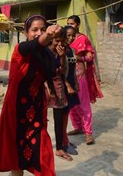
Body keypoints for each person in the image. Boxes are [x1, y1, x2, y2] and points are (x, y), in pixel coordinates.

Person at [0, 15, 62, 176]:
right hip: (17, 112)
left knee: (43, 154)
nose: (39, 33)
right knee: (16, 156)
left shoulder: (46, 54)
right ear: (26, 32)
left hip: (36, 111)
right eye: (34, 30)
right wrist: (48, 34)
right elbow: (36, 43)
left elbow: (55, 71)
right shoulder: (21, 49)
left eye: (43, 29)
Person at [66, 15, 103, 145]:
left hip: (80, 76)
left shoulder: (83, 39)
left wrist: (80, 59)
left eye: (73, 23)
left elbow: (90, 56)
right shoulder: (64, 39)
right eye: (68, 23)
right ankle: (77, 127)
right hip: (67, 77)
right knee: (71, 105)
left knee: (83, 104)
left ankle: (88, 133)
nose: (70, 25)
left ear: (78, 25)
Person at [46, 31, 74, 161]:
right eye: (56, 40)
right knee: (41, 118)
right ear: (51, 39)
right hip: (45, 86)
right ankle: (42, 145)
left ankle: (59, 147)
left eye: (61, 41)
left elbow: (63, 70)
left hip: (58, 85)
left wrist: (62, 57)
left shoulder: (62, 52)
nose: (59, 43)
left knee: (59, 117)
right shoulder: (44, 52)